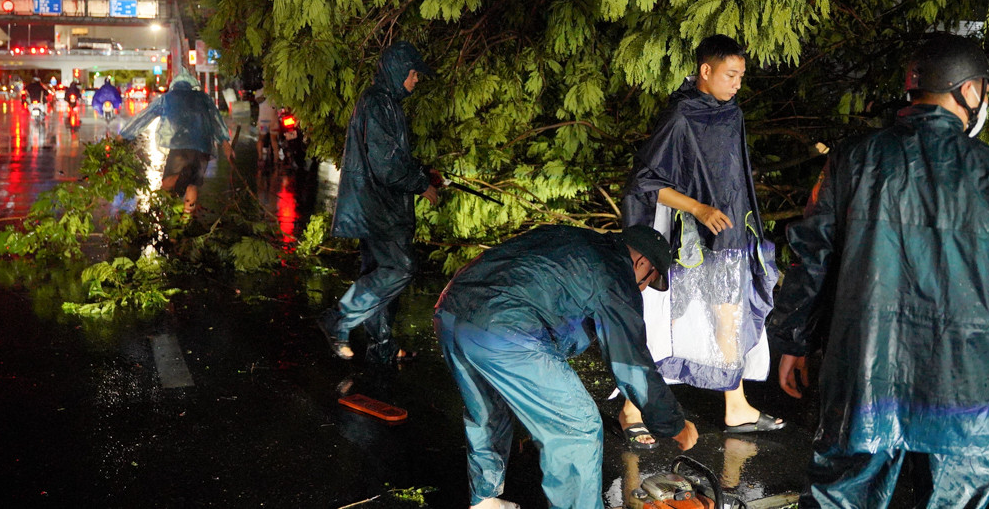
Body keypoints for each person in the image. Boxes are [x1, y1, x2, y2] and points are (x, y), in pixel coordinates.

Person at [769, 34, 989, 509]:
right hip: (964, 389)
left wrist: (792, 343)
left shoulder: (850, 160)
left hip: (862, 378)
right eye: (984, 91)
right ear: (968, 92)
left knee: (842, 500)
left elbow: (811, 259)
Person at [435, 224, 699, 509]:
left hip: (452, 310)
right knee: (576, 427)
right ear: (642, 262)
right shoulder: (615, 273)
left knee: (487, 408)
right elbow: (631, 362)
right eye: (649, 279)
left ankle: (484, 500)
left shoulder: (572, 238)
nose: (643, 287)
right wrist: (672, 423)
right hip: (506, 329)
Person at [618, 34, 779, 449]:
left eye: (741, 76)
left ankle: (737, 405)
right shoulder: (681, 116)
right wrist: (698, 209)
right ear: (705, 71)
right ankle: (633, 409)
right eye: (730, 74)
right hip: (685, 240)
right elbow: (646, 183)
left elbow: (734, 177)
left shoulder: (732, 114)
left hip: (729, 236)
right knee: (664, 318)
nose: (737, 83)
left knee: (729, 314)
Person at [321, 41, 438, 365]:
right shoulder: (379, 103)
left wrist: (423, 172)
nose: (416, 80)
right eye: (414, 73)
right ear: (401, 71)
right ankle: (340, 318)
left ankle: (383, 345)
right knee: (399, 268)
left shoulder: (384, 102)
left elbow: (390, 156)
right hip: (381, 208)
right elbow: (386, 167)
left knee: (379, 274)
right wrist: (421, 184)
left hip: (376, 205)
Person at [119, 70, 234, 215]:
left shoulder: (168, 98)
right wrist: (226, 145)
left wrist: (125, 135)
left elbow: (145, 116)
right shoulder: (204, 99)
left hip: (179, 147)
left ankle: (170, 207)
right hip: (202, 148)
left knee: (167, 184)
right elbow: (217, 121)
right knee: (193, 184)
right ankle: (186, 217)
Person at [255, 89, 280, 164]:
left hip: (264, 121)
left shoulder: (259, 92)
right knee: (274, 139)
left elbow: (258, 101)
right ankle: (276, 159)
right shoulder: (276, 92)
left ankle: (260, 158)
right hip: (273, 120)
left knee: (261, 138)